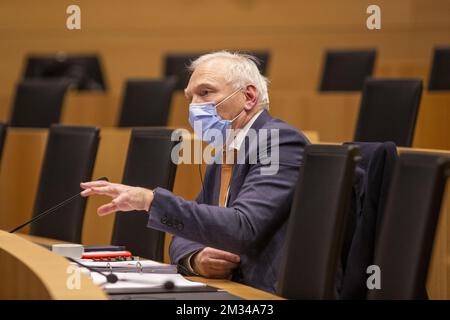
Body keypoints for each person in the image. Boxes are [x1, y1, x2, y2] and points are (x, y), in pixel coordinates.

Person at [81, 51, 310, 293]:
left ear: (249, 97)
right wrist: (196, 257)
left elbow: (243, 227)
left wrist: (150, 200)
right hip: (230, 288)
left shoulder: (279, 142)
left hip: (264, 293)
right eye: (190, 97)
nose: (194, 107)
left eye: (205, 93)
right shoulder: (227, 149)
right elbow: (187, 233)